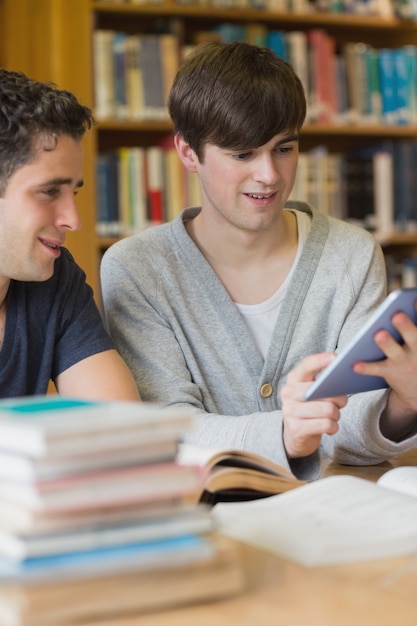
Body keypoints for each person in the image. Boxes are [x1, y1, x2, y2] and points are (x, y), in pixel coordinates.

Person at [100, 41, 417, 479]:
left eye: (284, 148)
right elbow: (163, 428)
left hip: (330, 516)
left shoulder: (351, 254)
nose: (269, 175)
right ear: (189, 153)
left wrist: (405, 402)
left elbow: (349, 430)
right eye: (242, 154)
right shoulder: (137, 269)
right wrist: (284, 434)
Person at [0, 68, 139, 400]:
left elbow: (118, 427)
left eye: (72, 193)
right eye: (49, 192)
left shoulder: (55, 277)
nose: (74, 221)